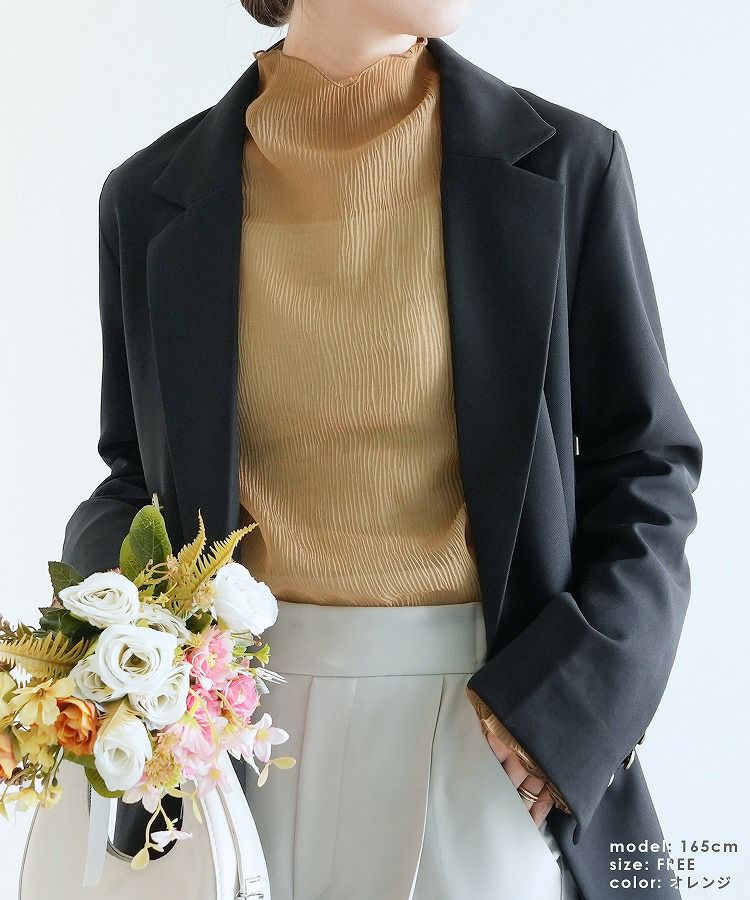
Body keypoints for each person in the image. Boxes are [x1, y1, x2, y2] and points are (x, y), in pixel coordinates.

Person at [60, 1, 703, 898]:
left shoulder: (567, 165)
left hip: (488, 735)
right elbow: (134, 475)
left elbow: (647, 466)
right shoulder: (147, 198)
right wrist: (118, 642)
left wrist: (575, 699)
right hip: (231, 755)